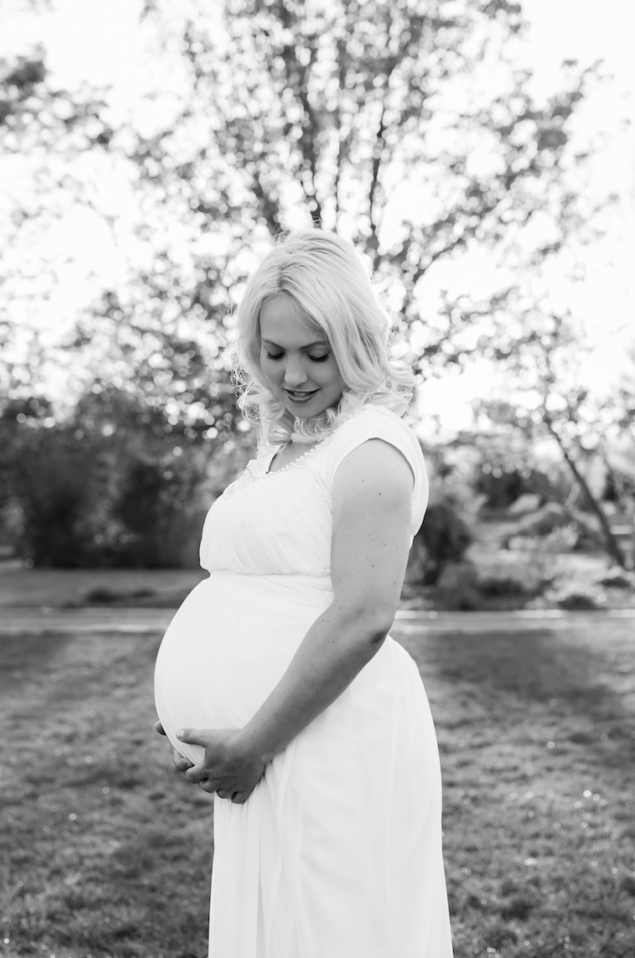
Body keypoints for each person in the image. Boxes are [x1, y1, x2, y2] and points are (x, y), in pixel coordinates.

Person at [154, 229, 453, 958]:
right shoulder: (290, 445)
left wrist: (253, 741)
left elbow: (362, 617)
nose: (292, 373)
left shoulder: (371, 448)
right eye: (275, 350)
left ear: (354, 341)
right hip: (269, 751)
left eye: (316, 352)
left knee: (332, 931)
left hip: (325, 741)